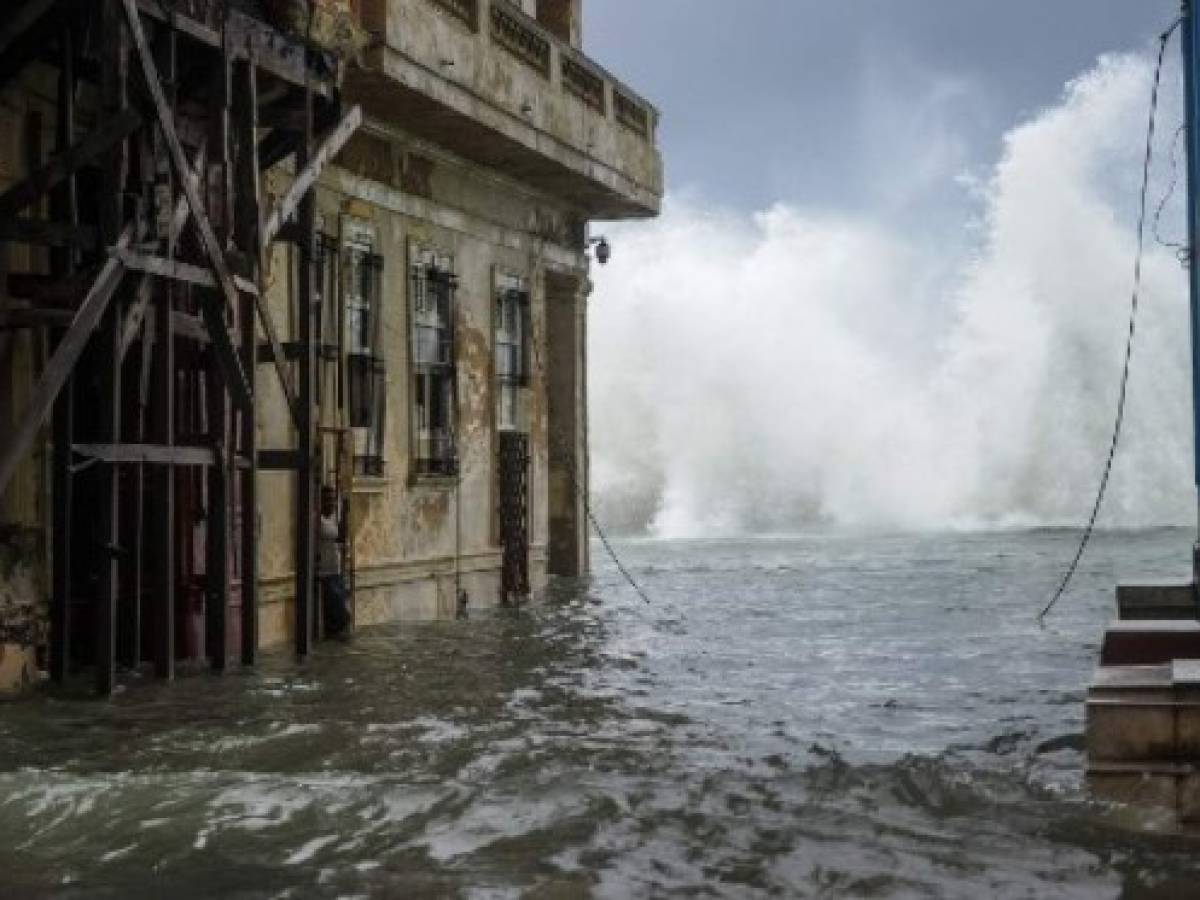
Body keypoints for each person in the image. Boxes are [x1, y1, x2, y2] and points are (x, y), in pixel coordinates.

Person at [319, 487, 351, 638]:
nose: (330, 503)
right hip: (323, 571)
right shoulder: (318, 519)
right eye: (327, 499)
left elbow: (340, 538)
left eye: (332, 500)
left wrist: (344, 513)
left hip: (335, 568)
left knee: (339, 609)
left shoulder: (332, 519)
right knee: (340, 612)